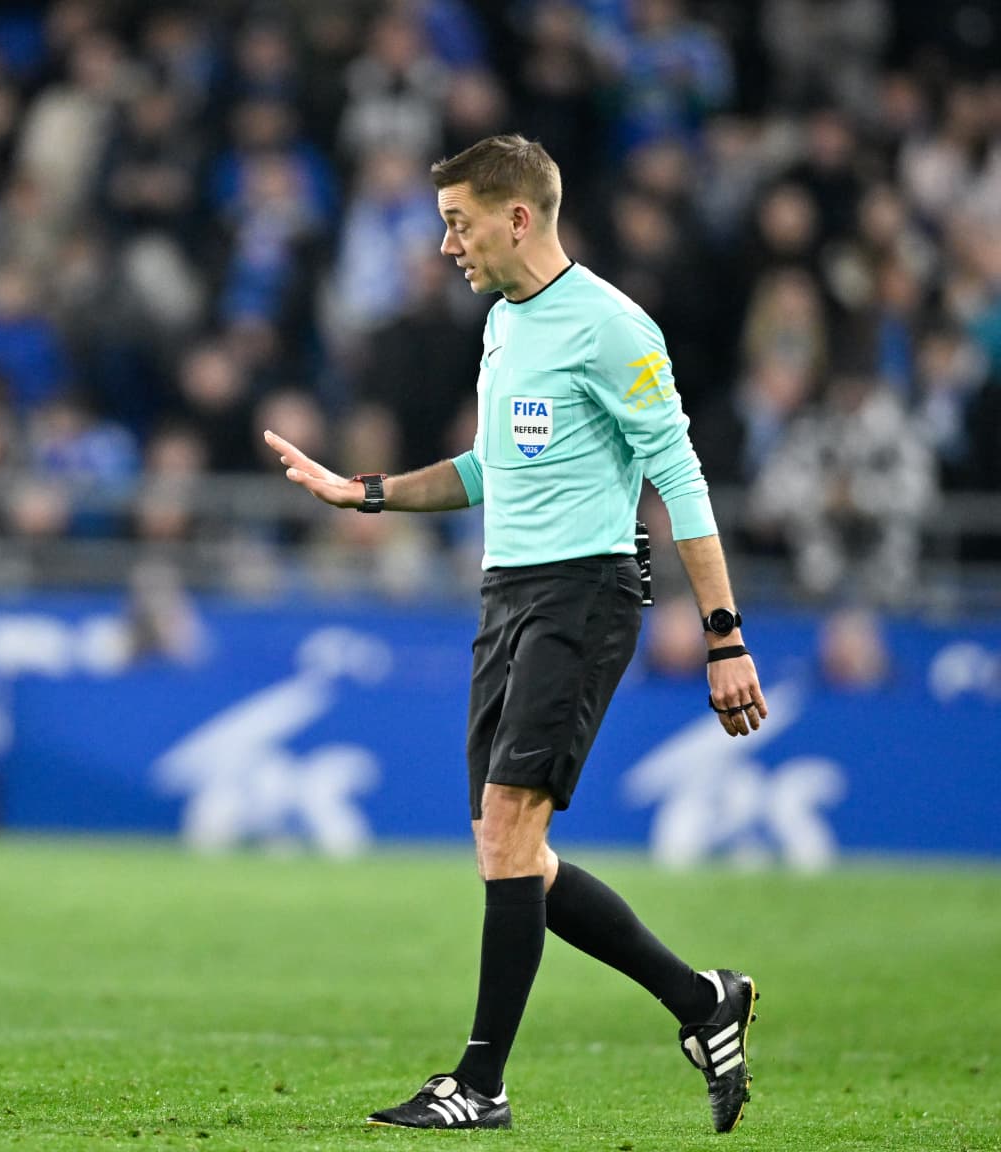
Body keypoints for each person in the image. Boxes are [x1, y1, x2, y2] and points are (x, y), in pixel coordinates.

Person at [264, 135, 770, 1134]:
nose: (445, 245)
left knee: (507, 833)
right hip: (506, 599)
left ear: (518, 217)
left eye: (458, 223)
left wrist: (724, 636)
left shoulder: (611, 327)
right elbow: (485, 471)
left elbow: (679, 479)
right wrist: (363, 492)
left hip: (582, 596)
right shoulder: (504, 325)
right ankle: (701, 1000)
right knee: (513, 854)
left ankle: (479, 1084)